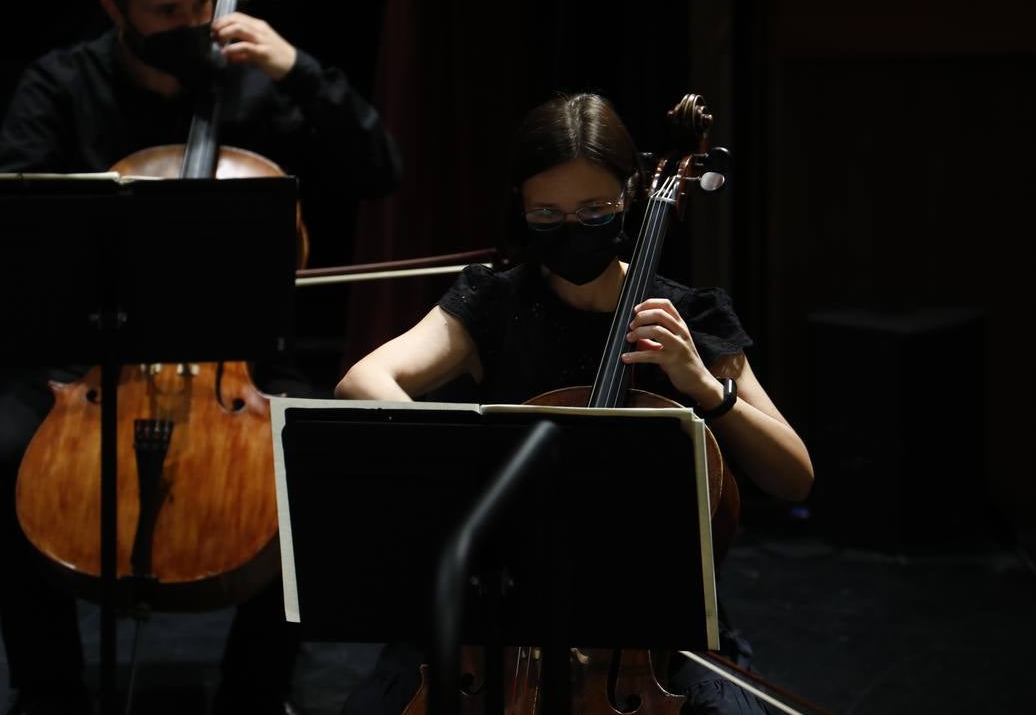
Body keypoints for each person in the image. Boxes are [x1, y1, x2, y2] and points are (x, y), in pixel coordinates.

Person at [0, 0, 401, 715]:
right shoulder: (60, 86)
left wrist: (296, 66)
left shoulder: (255, 83)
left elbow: (379, 167)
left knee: (319, 456)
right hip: (89, 353)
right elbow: (15, 226)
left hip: (240, 357)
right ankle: (50, 685)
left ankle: (255, 689)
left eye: (203, 1)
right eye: (166, 11)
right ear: (113, 10)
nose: (194, 22)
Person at [334, 92, 811, 715]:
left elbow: (793, 476)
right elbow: (362, 382)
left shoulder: (688, 318)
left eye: (594, 211)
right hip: (499, 618)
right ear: (521, 208)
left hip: (648, 630)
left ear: (633, 194)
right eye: (546, 214)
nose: (572, 229)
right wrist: (467, 455)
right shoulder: (494, 303)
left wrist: (700, 384)